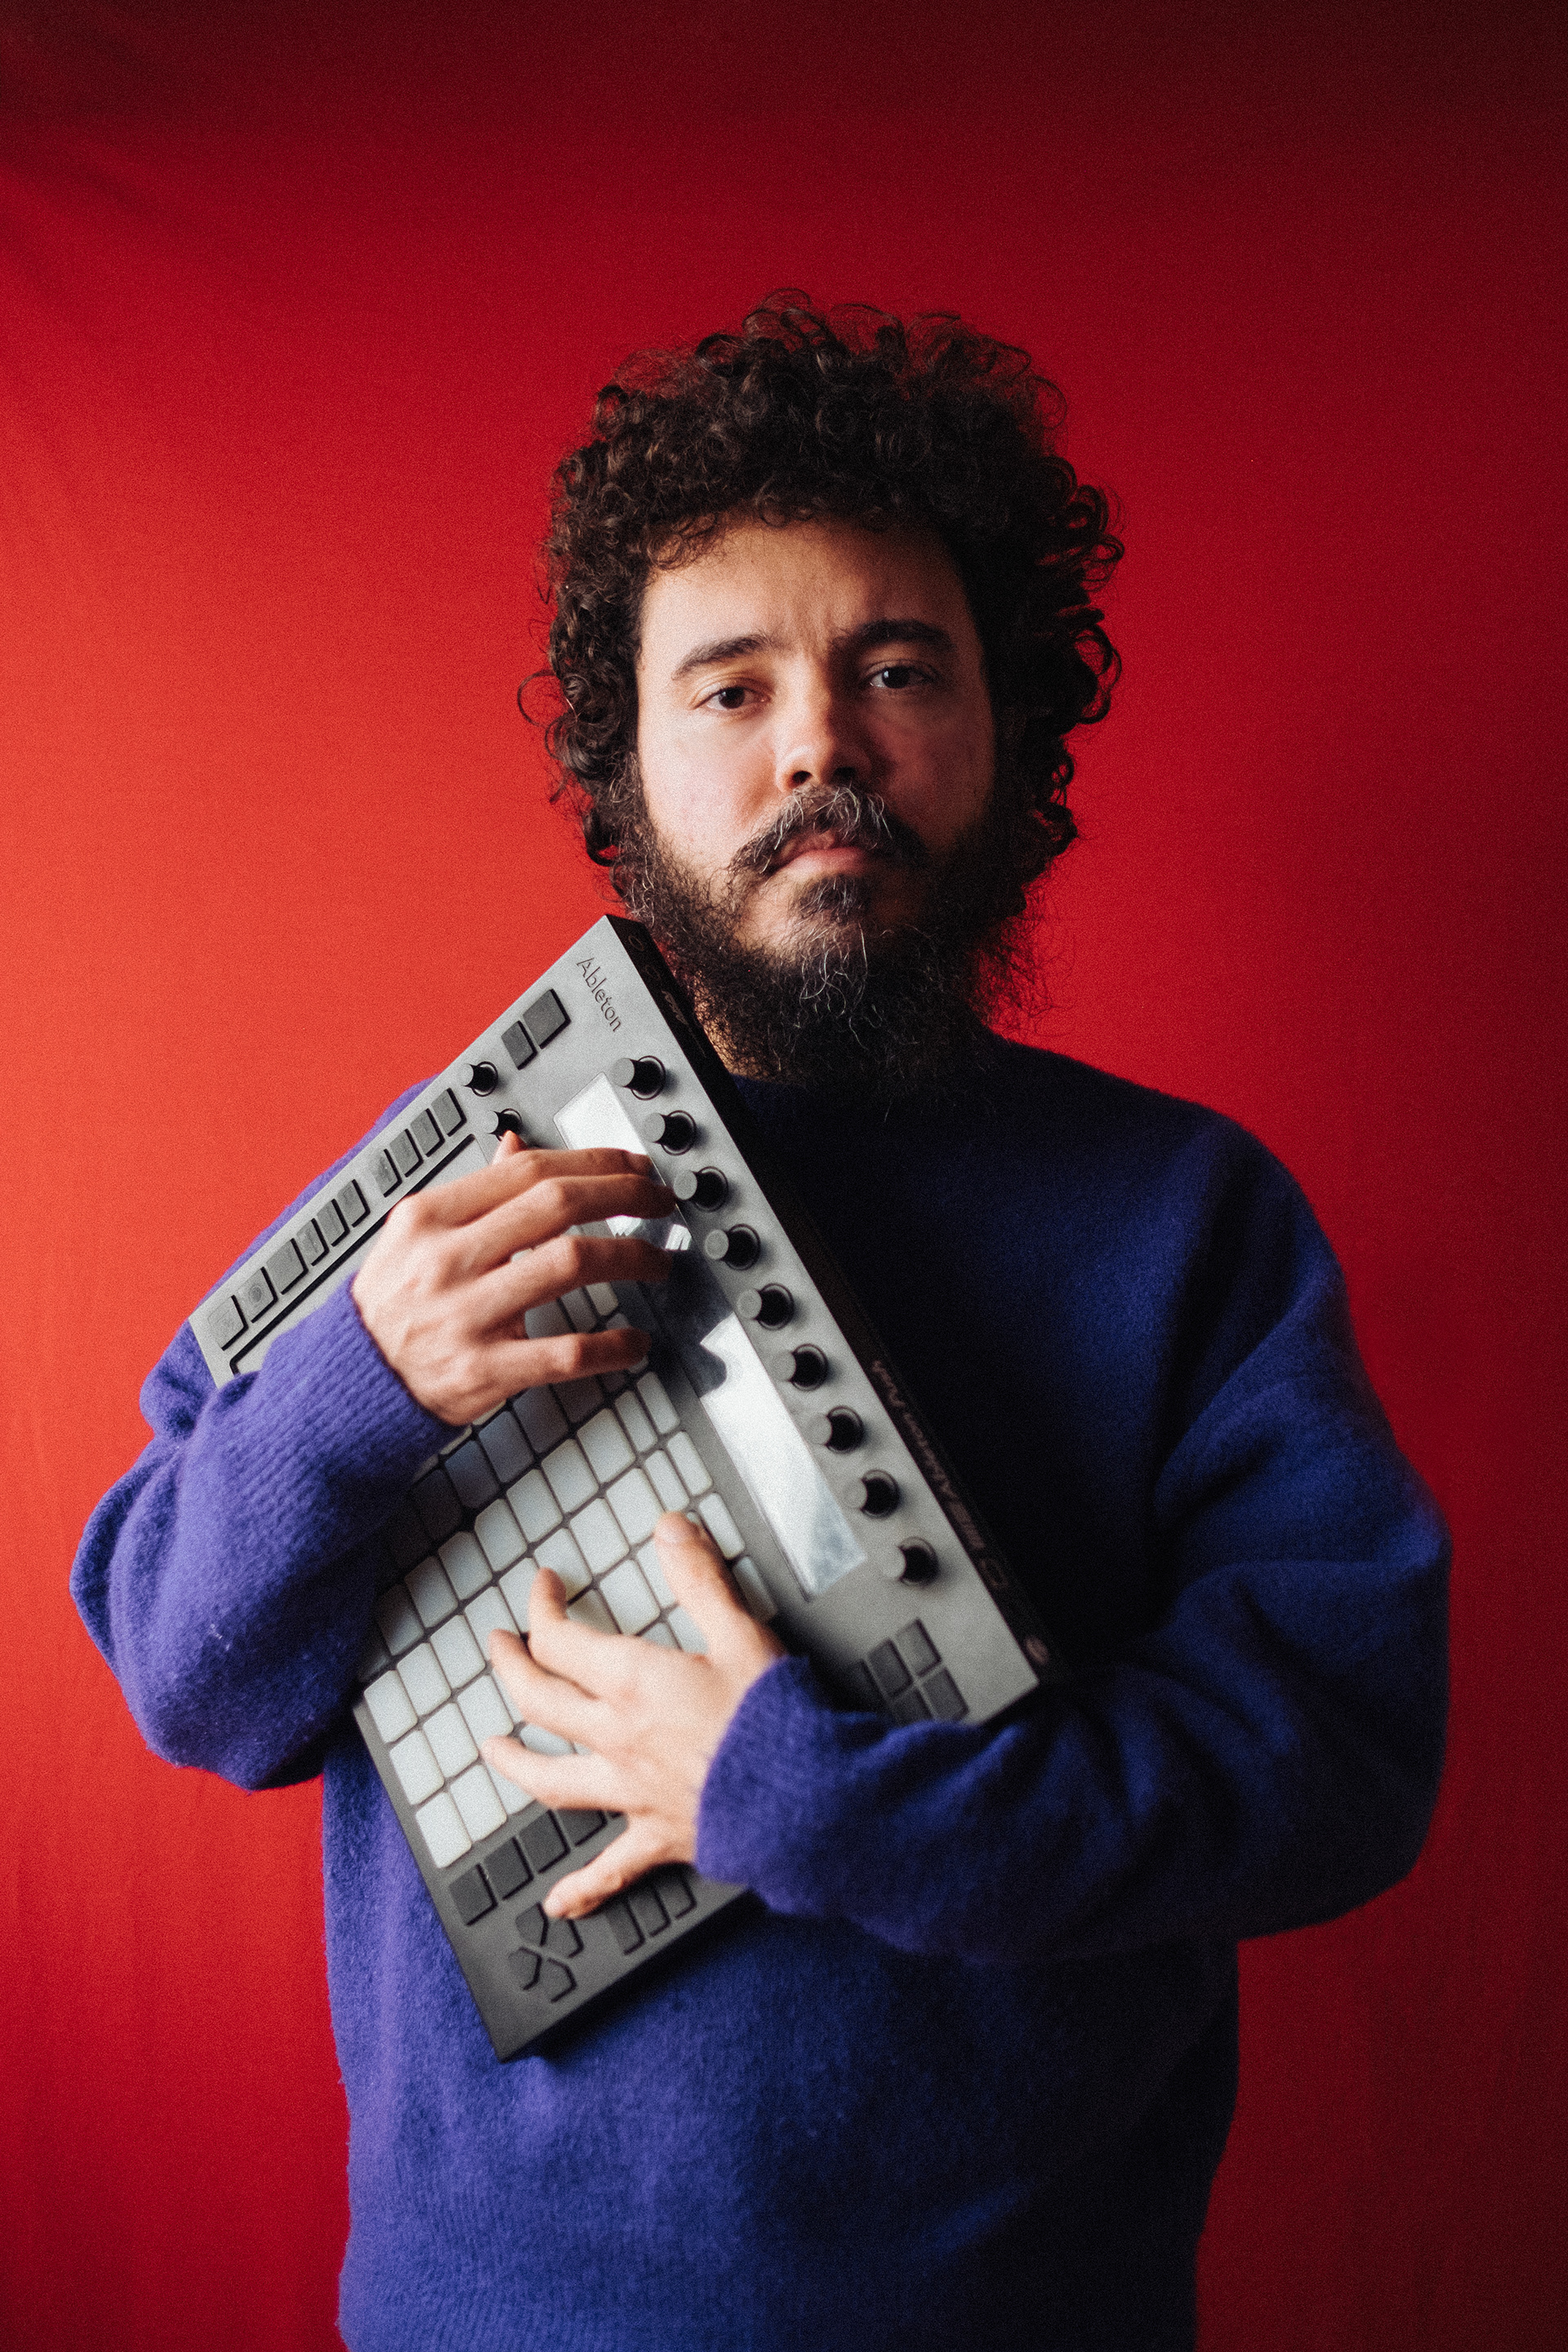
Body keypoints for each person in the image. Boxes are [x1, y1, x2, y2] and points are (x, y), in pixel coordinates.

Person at [72, 299, 1449, 2352]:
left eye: (897, 670)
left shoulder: (1189, 1219)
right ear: (626, 766)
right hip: (489, 2315)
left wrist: (794, 1792)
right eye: (732, 688)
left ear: (1006, 734)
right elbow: (190, 1684)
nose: (821, 747)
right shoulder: (436, 1204)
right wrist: (359, 1387)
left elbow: (1333, 1769)